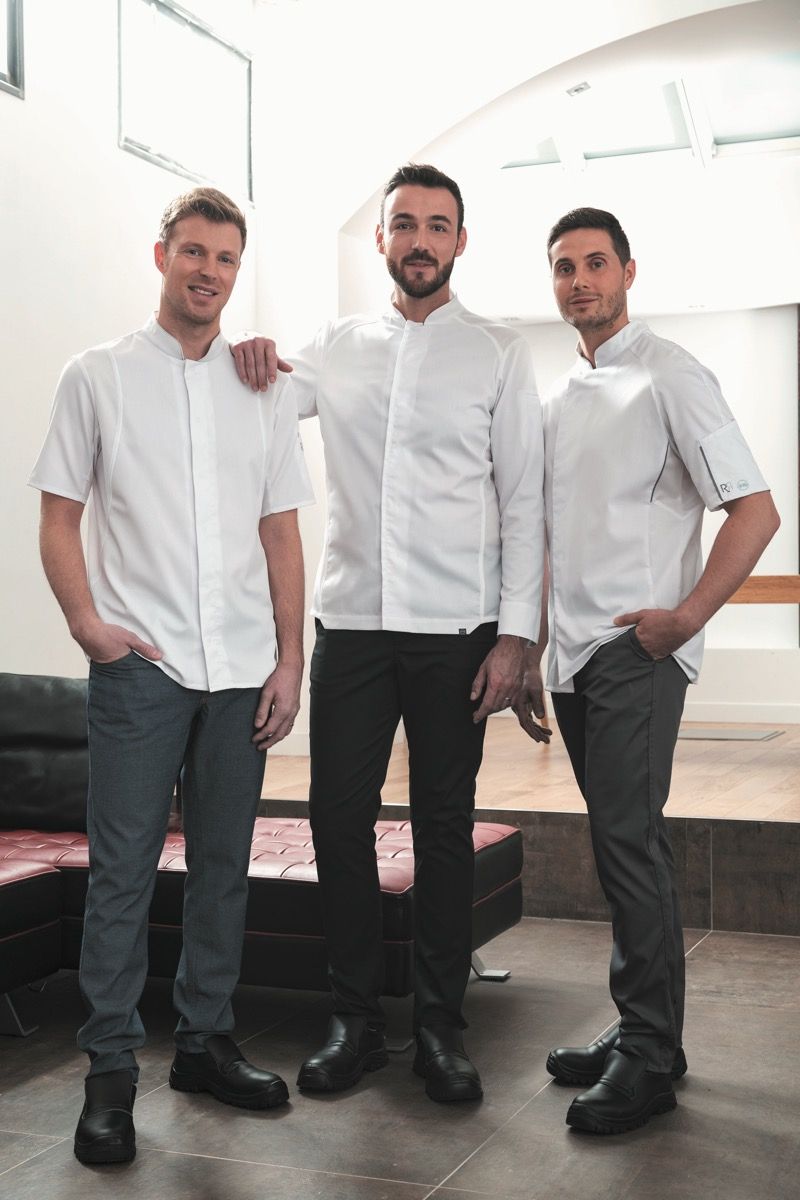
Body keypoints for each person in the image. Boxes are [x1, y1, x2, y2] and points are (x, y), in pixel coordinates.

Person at [233, 163, 548, 1103]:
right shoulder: (337, 347)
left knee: (445, 826)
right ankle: (355, 1020)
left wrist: (517, 636)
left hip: (459, 630)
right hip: (354, 625)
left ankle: (441, 1028)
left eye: (437, 225)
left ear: (460, 241)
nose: (420, 240)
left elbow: (524, 501)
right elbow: (259, 399)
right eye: (404, 223)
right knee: (337, 818)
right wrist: (246, 354)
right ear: (381, 238)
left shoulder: (498, 352)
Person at [29, 187, 314, 1165]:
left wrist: (289, 659)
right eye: (194, 252)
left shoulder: (261, 387)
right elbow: (58, 515)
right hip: (141, 671)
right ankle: (110, 1073)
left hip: (240, 669)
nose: (209, 271)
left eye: (226, 258)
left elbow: (281, 532)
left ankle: (204, 1043)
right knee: (122, 874)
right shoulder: (97, 375)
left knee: (223, 868)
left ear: (237, 271)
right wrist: (88, 626)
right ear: (162, 256)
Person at [516, 207, 780, 1134]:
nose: (580, 280)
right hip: (572, 659)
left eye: (596, 263)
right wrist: (533, 650)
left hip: (636, 651)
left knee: (628, 844)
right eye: (564, 267)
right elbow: (548, 538)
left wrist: (685, 619)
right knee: (619, 844)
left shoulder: (673, 374)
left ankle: (650, 1055)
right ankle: (646, 1031)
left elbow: (755, 509)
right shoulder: (558, 398)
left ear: (629, 272)